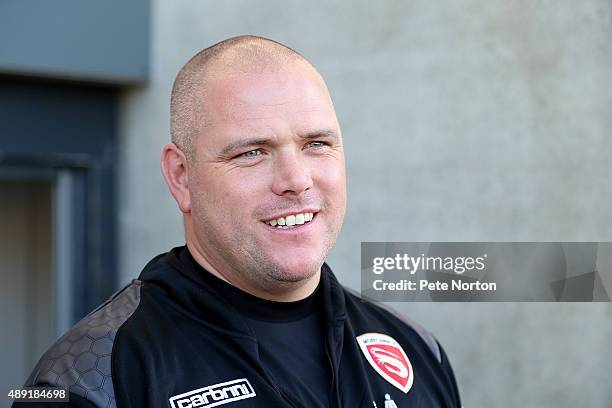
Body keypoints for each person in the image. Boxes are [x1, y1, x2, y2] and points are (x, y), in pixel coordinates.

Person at [15, 36, 461, 408]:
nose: (295, 180)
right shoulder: (90, 376)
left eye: (317, 144)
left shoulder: (416, 349)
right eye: (252, 152)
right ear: (181, 176)